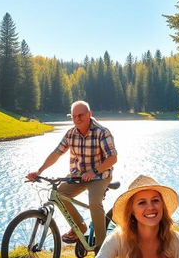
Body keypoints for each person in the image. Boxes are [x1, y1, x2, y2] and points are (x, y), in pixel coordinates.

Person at [26, 100, 117, 250]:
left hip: (100, 176)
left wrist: (93, 172)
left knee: (94, 203)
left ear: (89, 114)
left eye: (80, 115)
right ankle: (80, 227)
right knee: (59, 194)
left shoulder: (102, 132)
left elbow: (112, 158)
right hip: (78, 176)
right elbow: (56, 153)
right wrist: (39, 171)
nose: (77, 119)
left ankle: (101, 248)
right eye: (74, 116)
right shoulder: (71, 133)